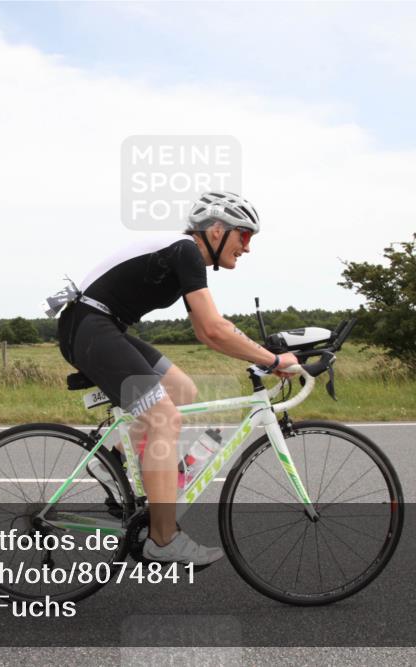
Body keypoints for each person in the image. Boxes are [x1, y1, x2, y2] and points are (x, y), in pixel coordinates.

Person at [56, 191, 299, 566]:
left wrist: (264, 356)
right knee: (164, 417)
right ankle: (163, 539)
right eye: (244, 236)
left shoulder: (186, 255)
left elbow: (213, 327)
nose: (247, 247)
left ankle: (116, 459)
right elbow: (212, 331)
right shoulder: (185, 250)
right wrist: (271, 360)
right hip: (89, 326)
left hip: (103, 326)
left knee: (182, 390)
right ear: (217, 231)